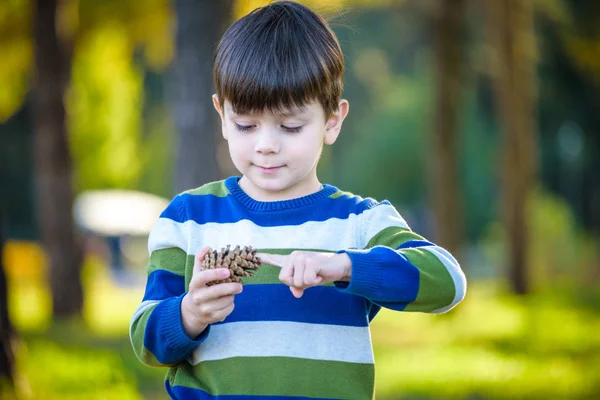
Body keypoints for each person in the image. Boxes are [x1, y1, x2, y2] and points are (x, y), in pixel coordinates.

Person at [129, 1, 467, 399]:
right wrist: (188, 314)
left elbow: (448, 282)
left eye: (290, 126)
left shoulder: (359, 223)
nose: (266, 146)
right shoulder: (188, 218)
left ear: (332, 121)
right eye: (246, 125)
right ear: (221, 114)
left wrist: (343, 266)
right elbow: (146, 341)